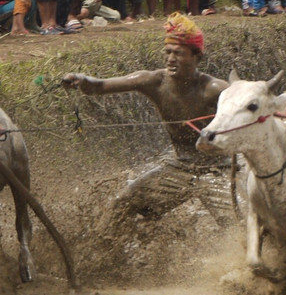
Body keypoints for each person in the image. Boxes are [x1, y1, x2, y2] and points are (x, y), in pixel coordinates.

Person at [61, 13, 233, 221]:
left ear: (197, 57)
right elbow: (100, 86)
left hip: (218, 169)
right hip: (180, 165)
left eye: (179, 53)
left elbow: (249, 108)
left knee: (236, 223)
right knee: (121, 207)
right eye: (168, 52)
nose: (171, 59)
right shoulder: (154, 82)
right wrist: (80, 80)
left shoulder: (216, 89)